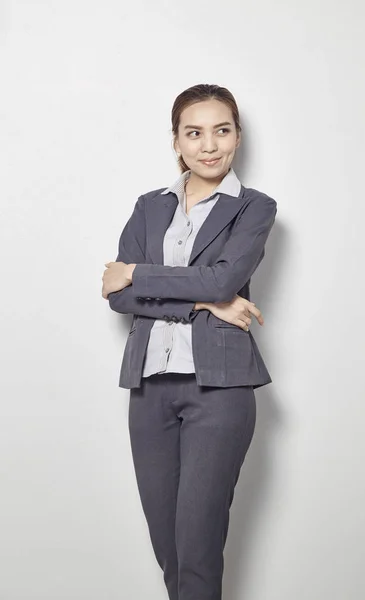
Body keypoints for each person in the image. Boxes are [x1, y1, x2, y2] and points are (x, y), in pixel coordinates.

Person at [102, 83, 277, 600]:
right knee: (169, 549)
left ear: (237, 137)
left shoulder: (254, 208)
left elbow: (221, 280)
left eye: (221, 131)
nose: (208, 146)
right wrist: (203, 302)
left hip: (220, 390)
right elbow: (117, 297)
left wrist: (137, 273)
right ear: (176, 141)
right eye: (193, 133)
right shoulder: (149, 206)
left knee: (197, 547)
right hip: (149, 388)